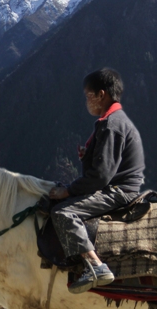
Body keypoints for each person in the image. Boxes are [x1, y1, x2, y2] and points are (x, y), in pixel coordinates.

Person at [48, 68, 145, 294]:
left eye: (88, 95)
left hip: (120, 191)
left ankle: (95, 266)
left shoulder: (112, 125)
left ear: (102, 94)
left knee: (63, 212)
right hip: (118, 186)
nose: (87, 100)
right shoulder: (113, 121)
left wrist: (69, 191)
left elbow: (101, 177)